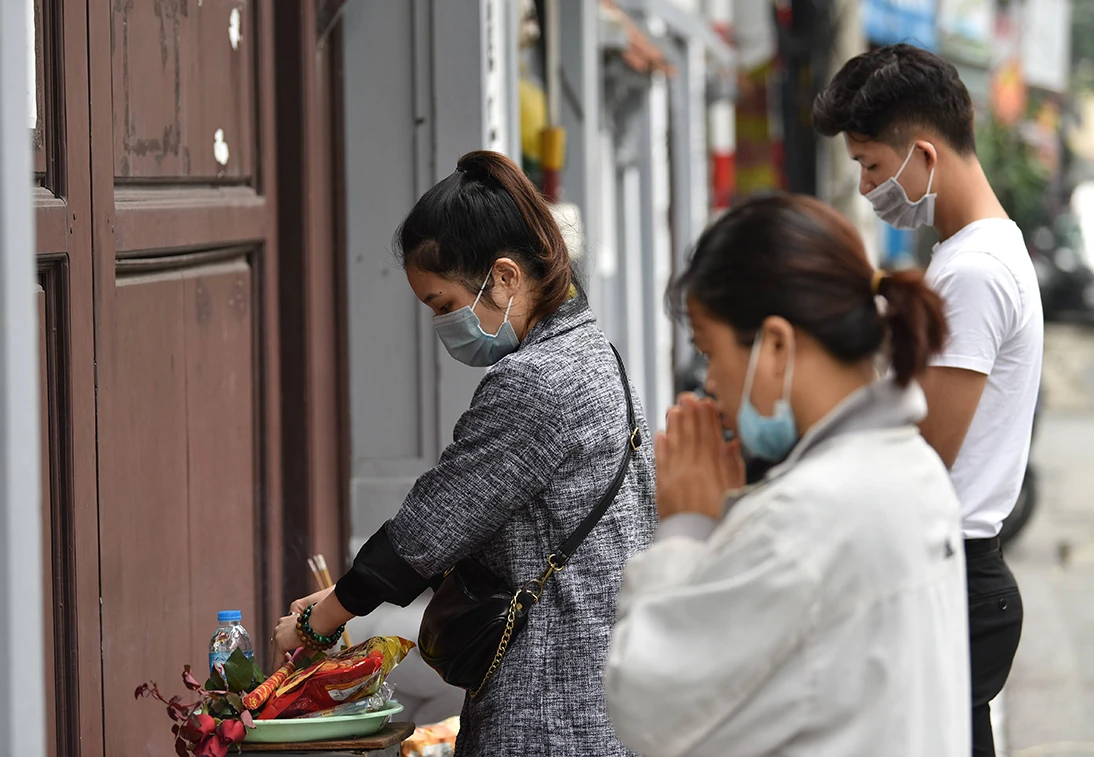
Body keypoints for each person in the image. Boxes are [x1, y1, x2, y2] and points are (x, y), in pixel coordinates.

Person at [271, 150, 656, 756]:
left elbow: (428, 528)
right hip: (603, 693)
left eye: (445, 305)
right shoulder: (596, 354)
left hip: (548, 709)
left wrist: (321, 624)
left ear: (504, 278)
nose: (443, 325)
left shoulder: (537, 381)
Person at [606, 194, 970, 757]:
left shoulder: (807, 516)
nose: (710, 384)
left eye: (709, 352)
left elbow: (648, 707)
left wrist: (685, 528)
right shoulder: (909, 465)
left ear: (775, 345)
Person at [812, 43, 1043, 757]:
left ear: (925, 156)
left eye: (872, 167)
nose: (866, 187)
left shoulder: (971, 272)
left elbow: (924, 456)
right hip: (951, 577)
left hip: (952, 581)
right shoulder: (975, 252)